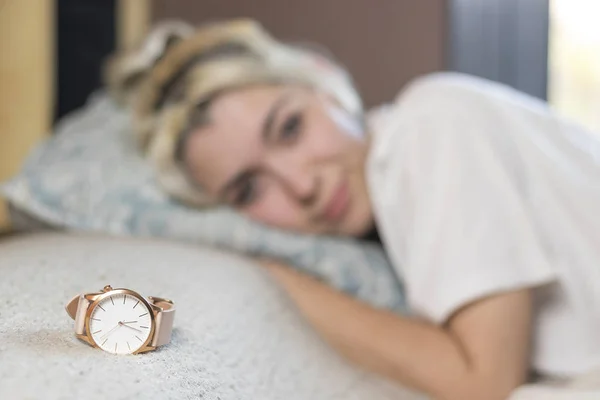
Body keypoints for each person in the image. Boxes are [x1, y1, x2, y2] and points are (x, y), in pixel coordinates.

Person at [107, 19, 600, 400]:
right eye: (249, 190)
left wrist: (278, 281)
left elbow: (483, 382)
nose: (301, 185)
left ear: (324, 85)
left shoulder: (430, 124)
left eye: (290, 128)